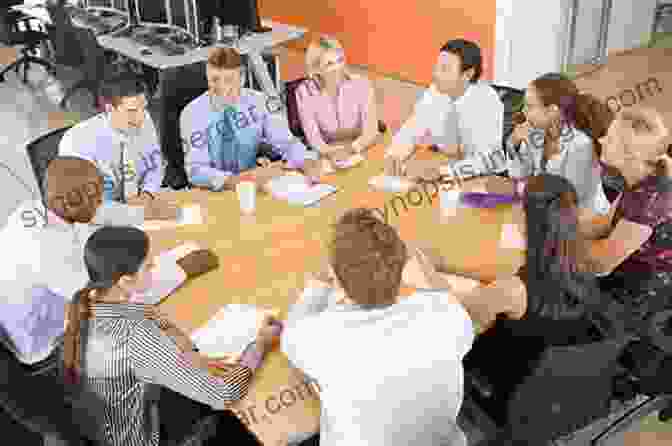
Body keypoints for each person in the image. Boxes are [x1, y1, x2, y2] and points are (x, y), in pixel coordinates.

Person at [281, 208, 525, 446]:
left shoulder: (319, 336)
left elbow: (291, 331)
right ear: (401, 270)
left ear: (338, 281)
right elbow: (444, 298)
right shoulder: (444, 311)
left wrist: (317, 285)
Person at [63, 225, 280, 446]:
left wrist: (188, 352)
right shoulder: (137, 336)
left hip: (107, 419)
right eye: (148, 266)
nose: (155, 265)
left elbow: (154, 321)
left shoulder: (86, 302)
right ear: (125, 281)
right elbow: (222, 394)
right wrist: (260, 346)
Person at [180, 47, 322, 192]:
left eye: (229, 80)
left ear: (242, 78)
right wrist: (237, 181)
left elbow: (286, 142)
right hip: (212, 191)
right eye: (215, 80)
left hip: (252, 187)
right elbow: (196, 170)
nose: (222, 88)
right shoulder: (192, 114)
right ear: (207, 77)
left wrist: (306, 161)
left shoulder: (259, 101)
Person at [485, 73, 614, 220]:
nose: (523, 112)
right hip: (548, 213)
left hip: (587, 221)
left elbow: (568, 198)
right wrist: (513, 144)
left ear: (553, 111)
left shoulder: (580, 145)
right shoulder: (536, 133)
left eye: (530, 106)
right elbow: (518, 175)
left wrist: (521, 189)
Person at [58, 71, 177, 219]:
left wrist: (146, 195)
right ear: (109, 109)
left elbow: (155, 164)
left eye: (144, 108)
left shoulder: (143, 118)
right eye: (132, 111)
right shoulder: (78, 141)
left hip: (139, 206)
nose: (140, 119)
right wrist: (140, 214)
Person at [384, 39, 504, 182]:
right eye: (436, 67)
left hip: (480, 178)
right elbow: (412, 128)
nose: (436, 74)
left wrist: (444, 172)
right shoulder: (435, 92)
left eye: (445, 69)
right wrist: (395, 154)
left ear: (468, 74)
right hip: (443, 167)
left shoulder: (486, 101)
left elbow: (490, 160)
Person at [295, 36, 381, 165]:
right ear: (316, 69)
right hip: (327, 155)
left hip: (362, 148)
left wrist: (352, 149)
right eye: (329, 64)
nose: (338, 68)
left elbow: (371, 130)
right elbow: (314, 138)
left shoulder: (362, 84)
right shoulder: (304, 92)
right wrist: (330, 152)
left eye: (340, 60)